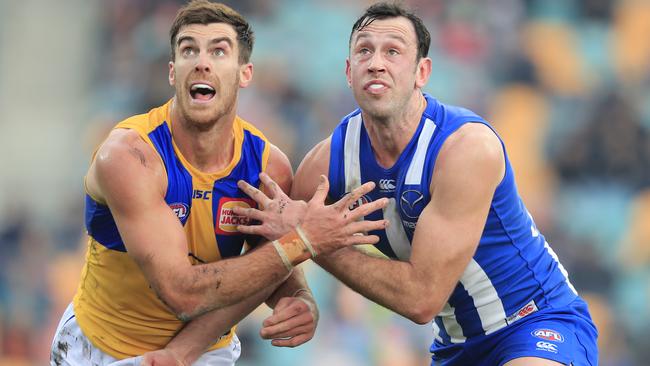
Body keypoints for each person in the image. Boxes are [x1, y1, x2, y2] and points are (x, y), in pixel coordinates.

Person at [234, 2, 599, 365]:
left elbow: (421, 299)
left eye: (393, 51)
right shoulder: (326, 164)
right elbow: (280, 240)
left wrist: (313, 242)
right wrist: (298, 296)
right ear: (349, 71)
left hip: (535, 322)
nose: (376, 62)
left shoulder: (465, 148)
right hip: (455, 346)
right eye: (364, 50)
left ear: (421, 72)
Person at [49, 1, 387, 365]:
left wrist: (298, 298)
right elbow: (181, 293)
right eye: (188, 49)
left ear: (245, 73)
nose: (202, 62)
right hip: (102, 347)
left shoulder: (267, 166)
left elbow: (268, 263)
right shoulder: (130, 156)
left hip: (207, 352)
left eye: (219, 51)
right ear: (172, 72)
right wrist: (303, 241)